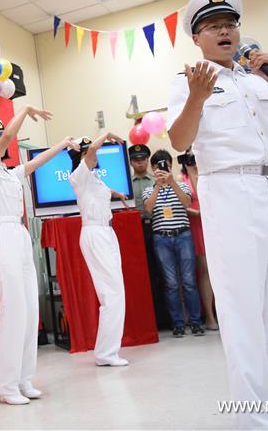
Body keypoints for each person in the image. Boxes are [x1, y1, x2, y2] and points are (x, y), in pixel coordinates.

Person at [168, 0, 268, 430]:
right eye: (213, 26)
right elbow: (180, 142)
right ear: (196, 38)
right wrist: (198, 97)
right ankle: (254, 421)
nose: (225, 31)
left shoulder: (258, 80)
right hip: (227, 192)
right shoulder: (186, 83)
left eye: (230, 24)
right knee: (241, 311)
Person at [0, 109, 74, 405]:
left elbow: (37, 162)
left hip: (19, 237)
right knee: (13, 312)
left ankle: (23, 379)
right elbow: (8, 136)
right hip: (1, 238)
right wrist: (25, 110)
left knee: (30, 312)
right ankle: (5, 386)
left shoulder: (10, 172)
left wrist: (63, 144)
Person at [68, 132, 130, 367]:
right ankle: (106, 353)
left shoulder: (94, 178)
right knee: (111, 293)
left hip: (106, 233)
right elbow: (92, 152)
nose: (91, 155)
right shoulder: (78, 176)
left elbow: (103, 192)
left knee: (116, 292)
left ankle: (108, 351)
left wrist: (118, 194)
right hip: (94, 233)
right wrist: (105, 135)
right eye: (85, 153)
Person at [142, 150, 204, 338]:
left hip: (183, 236)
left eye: (165, 165)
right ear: (153, 169)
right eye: (158, 165)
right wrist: (158, 187)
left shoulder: (182, 186)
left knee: (189, 281)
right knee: (170, 283)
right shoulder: (148, 188)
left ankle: (195, 322)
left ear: (170, 166)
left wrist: (171, 183)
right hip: (161, 238)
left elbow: (187, 203)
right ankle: (177, 324)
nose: (162, 168)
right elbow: (148, 210)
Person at [129, 144, 170, 329]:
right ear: (131, 162)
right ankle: (145, 320)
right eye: (137, 159)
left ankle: (163, 319)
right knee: (139, 275)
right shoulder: (127, 183)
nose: (141, 162)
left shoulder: (157, 180)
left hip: (156, 226)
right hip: (133, 231)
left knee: (160, 273)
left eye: (144, 159)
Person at [178, 148, 218, 330]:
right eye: (189, 156)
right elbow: (181, 205)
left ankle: (223, 313)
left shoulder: (211, 174)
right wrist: (191, 171)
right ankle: (210, 316)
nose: (193, 159)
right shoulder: (181, 179)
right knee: (204, 270)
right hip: (196, 224)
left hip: (215, 223)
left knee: (221, 270)